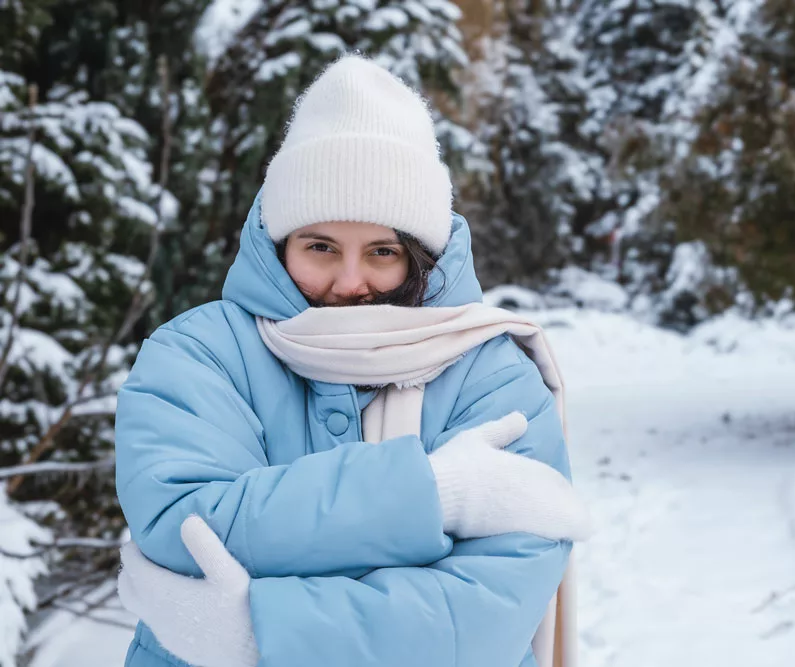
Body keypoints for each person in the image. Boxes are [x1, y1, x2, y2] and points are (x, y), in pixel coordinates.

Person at [114, 54, 590, 667]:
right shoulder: (199, 353)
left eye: (382, 252)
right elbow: (189, 525)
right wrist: (433, 495)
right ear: (278, 241)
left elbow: (487, 610)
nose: (349, 280)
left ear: (421, 255)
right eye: (320, 246)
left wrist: (259, 636)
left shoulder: (491, 375)